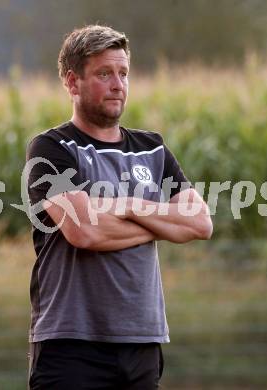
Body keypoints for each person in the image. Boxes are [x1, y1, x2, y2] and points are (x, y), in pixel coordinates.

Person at [26, 24, 213, 390]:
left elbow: (200, 224)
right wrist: (158, 221)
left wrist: (124, 206)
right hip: (70, 344)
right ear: (72, 82)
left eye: (123, 73)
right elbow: (84, 230)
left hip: (142, 342)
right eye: (104, 73)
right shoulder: (52, 149)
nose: (118, 84)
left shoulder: (153, 149)